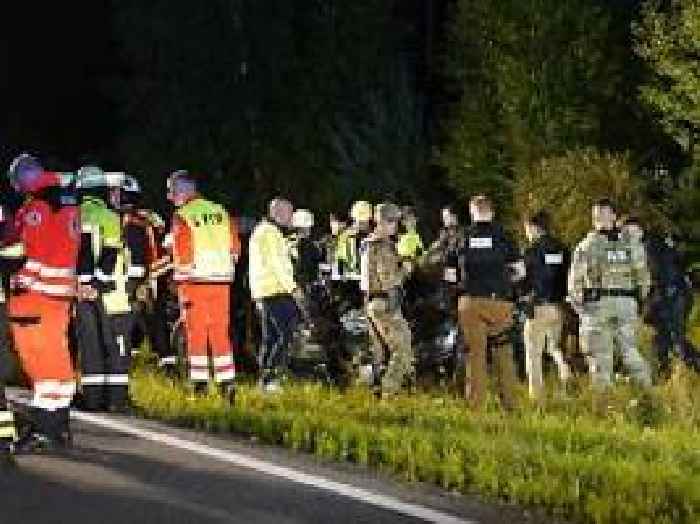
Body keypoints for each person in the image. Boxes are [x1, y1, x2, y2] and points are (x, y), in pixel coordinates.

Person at [5, 154, 80, 450]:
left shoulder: (38, 206)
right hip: (60, 293)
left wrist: (18, 281)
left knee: (38, 359)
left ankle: (45, 428)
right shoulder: (66, 201)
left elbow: (34, 252)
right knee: (57, 355)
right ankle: (58, 423)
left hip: (36, 295)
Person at [167, 170, 240, 401]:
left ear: (182, 192)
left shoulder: (183, 215)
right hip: (222, 281)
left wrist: (178, 279)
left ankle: (199, 385)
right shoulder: (220, 211)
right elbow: (235, 249)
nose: (169, 197)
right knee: (220, 331)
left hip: (195, 282)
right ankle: (227, 383)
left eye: (171, 191)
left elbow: (184, 254)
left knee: (196, 332)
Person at [568, 200, 652, 390]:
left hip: (599, 306)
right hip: (623, 305)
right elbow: (643, 279)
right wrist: (637, 301)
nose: (599, 218)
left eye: (602, 214)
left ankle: (606, 400)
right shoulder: (631, 244)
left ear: (613, 216)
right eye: (598, 215)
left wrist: (581, 310)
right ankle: (646, 393)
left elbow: (574, 285)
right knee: (627, 352)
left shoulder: (587, 245)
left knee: (603, 358)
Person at [75, 166, 136, 412]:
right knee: (115, 348)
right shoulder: (110, 218)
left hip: (82, 293)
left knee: (91, 347)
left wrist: (83, 285)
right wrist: (96, 284)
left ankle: (93, 399)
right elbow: (110, 254)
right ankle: (116, 401)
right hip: (111, 293)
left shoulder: (74, 215)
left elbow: (79, 255)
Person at [457, 195, 524, 410]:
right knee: (503, 352)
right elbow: (520, 272)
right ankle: (510, 404)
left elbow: (450, 275)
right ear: (491, 212)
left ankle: (476, 406)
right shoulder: (505, 236)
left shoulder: (462, 236)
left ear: (472, 212)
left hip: (470, 302)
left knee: (475, 355)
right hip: (500, 302)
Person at [625, 219, 700, 374]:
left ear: (638, 229)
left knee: (673, 338)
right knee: (663, 337)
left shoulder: (650, 246)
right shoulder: (650, 245)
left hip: (672, 295)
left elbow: (661, 274)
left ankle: (685, 366)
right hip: (670, 295)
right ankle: (664, 371)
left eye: (629, 231)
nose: (627, 235)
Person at [248, 198, 303, 392]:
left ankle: (264, 378)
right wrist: (293, 288)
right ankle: (271, 377)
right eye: (290, 213)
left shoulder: (261, 231)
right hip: (276, 290)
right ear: (278, 213)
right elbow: (278, 264)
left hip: (264, 290)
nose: (292, 217)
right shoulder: (271, 233)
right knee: (285, 333)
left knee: (270, 337)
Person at [360, 203, 413, 397]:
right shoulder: (383, 246)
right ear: (385, 222)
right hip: (385, 302)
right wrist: (405, 268)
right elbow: (388, 279)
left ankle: (377, 388)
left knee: (380, 352)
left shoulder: (367, 243)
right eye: (394, 222)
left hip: (371, 301)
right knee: (402, 349)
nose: (396, 226)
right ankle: (390, 393)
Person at [522, 211, 571, 400]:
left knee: (533, 354)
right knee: (554, 348)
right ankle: (565, 374)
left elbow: (525, 278)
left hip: (538, 307)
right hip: (559, 306)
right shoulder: (562, 248)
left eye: (527, 229)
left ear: (534, 227)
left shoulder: (532, 250)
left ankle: (537, 396)